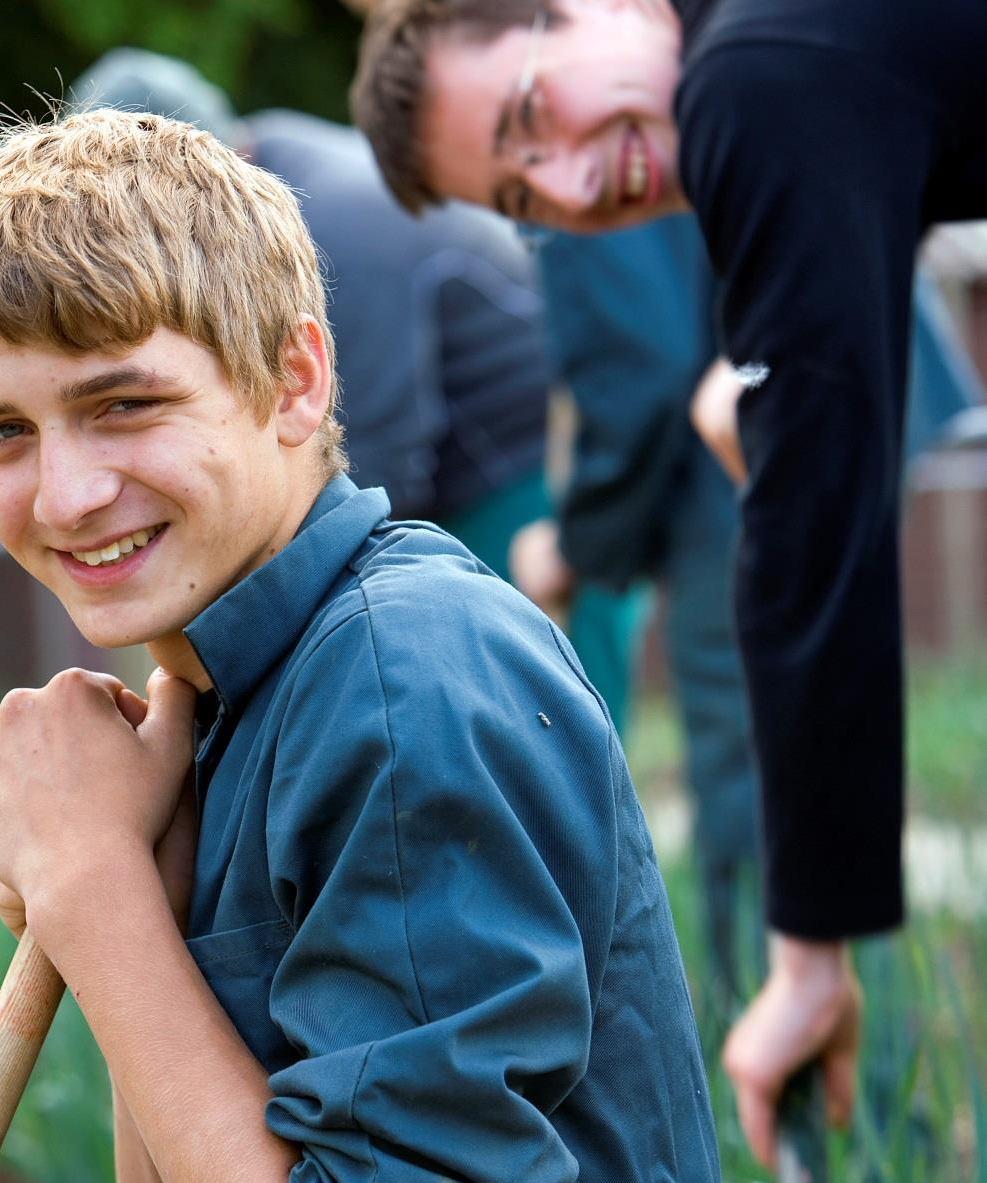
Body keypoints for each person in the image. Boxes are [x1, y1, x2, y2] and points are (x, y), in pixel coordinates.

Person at [0, 108, 734, 1183]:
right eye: (2, 433)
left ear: (295, 381)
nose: (65, 494)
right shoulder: (232, 698)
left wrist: (89, 892)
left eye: (123, 403)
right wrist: (137, 875)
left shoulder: (403, 681)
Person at [350, 0, 987, 1166]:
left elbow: (815, 517)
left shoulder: (750, 70)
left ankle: (866, 1140)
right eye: (527, 190)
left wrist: (810, 952)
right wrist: (779, 372)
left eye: (537, 118)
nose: (581, 188)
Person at [313, 0, 763, 991]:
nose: (393, 34)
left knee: (752, 785)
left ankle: (808, 1140)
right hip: (759, 390)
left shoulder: (567, 64)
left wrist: (578, 543)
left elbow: (634, 358)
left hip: (742, 428)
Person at [71, 48, 643, 733]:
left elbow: (362, 445)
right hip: (458, 456)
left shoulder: (330, 222)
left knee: (537, 717)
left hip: (539, 457)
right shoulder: (264, 175)